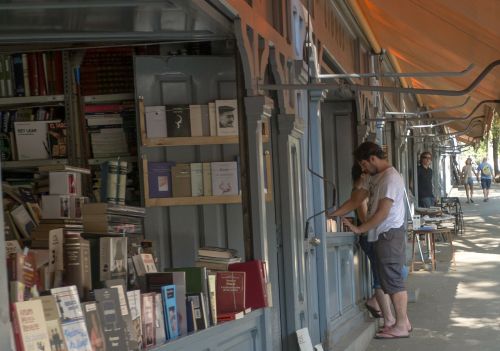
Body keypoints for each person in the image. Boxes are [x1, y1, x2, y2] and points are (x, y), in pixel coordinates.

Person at [343, 141, 411, 339]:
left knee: (393, 281)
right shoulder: (377, 177)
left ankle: (400, 325)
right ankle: (401, 323)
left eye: (363, 164)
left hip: (388, 234)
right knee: (387, 280)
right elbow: (356, 200)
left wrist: (359, 228)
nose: (362, 169)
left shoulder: (390, 178)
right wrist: (333, 214)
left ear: (372, 159)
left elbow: (382, 212)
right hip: (383, 235)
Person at [329, 163, 395, 328]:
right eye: (367, 173)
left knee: (384, 276)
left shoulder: (364, 192)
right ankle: (386, 316)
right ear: (362, 175)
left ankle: (382, 309)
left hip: (371, 235)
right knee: (380, 278)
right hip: (369, 236)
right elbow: (366, 218)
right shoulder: (360, 194)